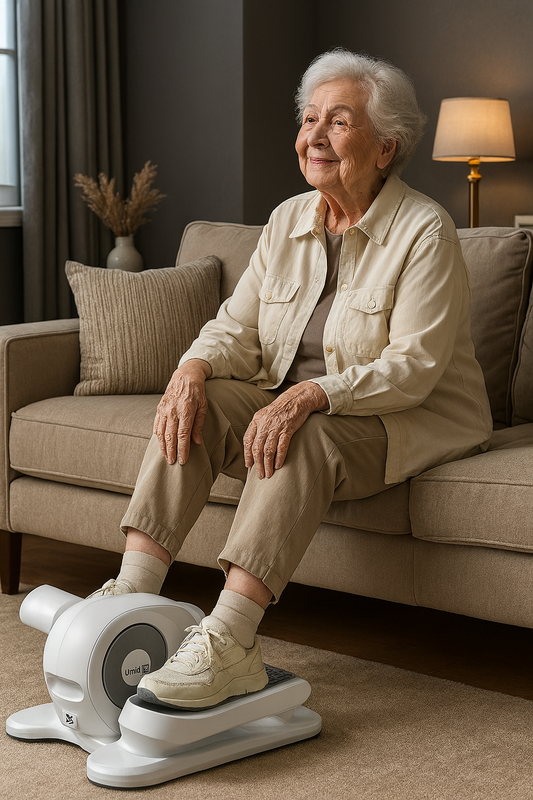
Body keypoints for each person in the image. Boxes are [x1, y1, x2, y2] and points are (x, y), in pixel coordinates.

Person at [90, 48, 493, 710]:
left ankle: (231, 640)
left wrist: (311, 394)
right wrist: (191, 368)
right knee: (199, 401)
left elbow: (413, 368)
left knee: (304, 432)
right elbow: (237, 327)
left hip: (405, 415)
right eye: (309, 119)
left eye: (339, 121)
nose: (315, 135)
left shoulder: (425, 230)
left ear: (385, 147)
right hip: (295, 398)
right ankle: (130, 596)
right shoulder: (287, 220)